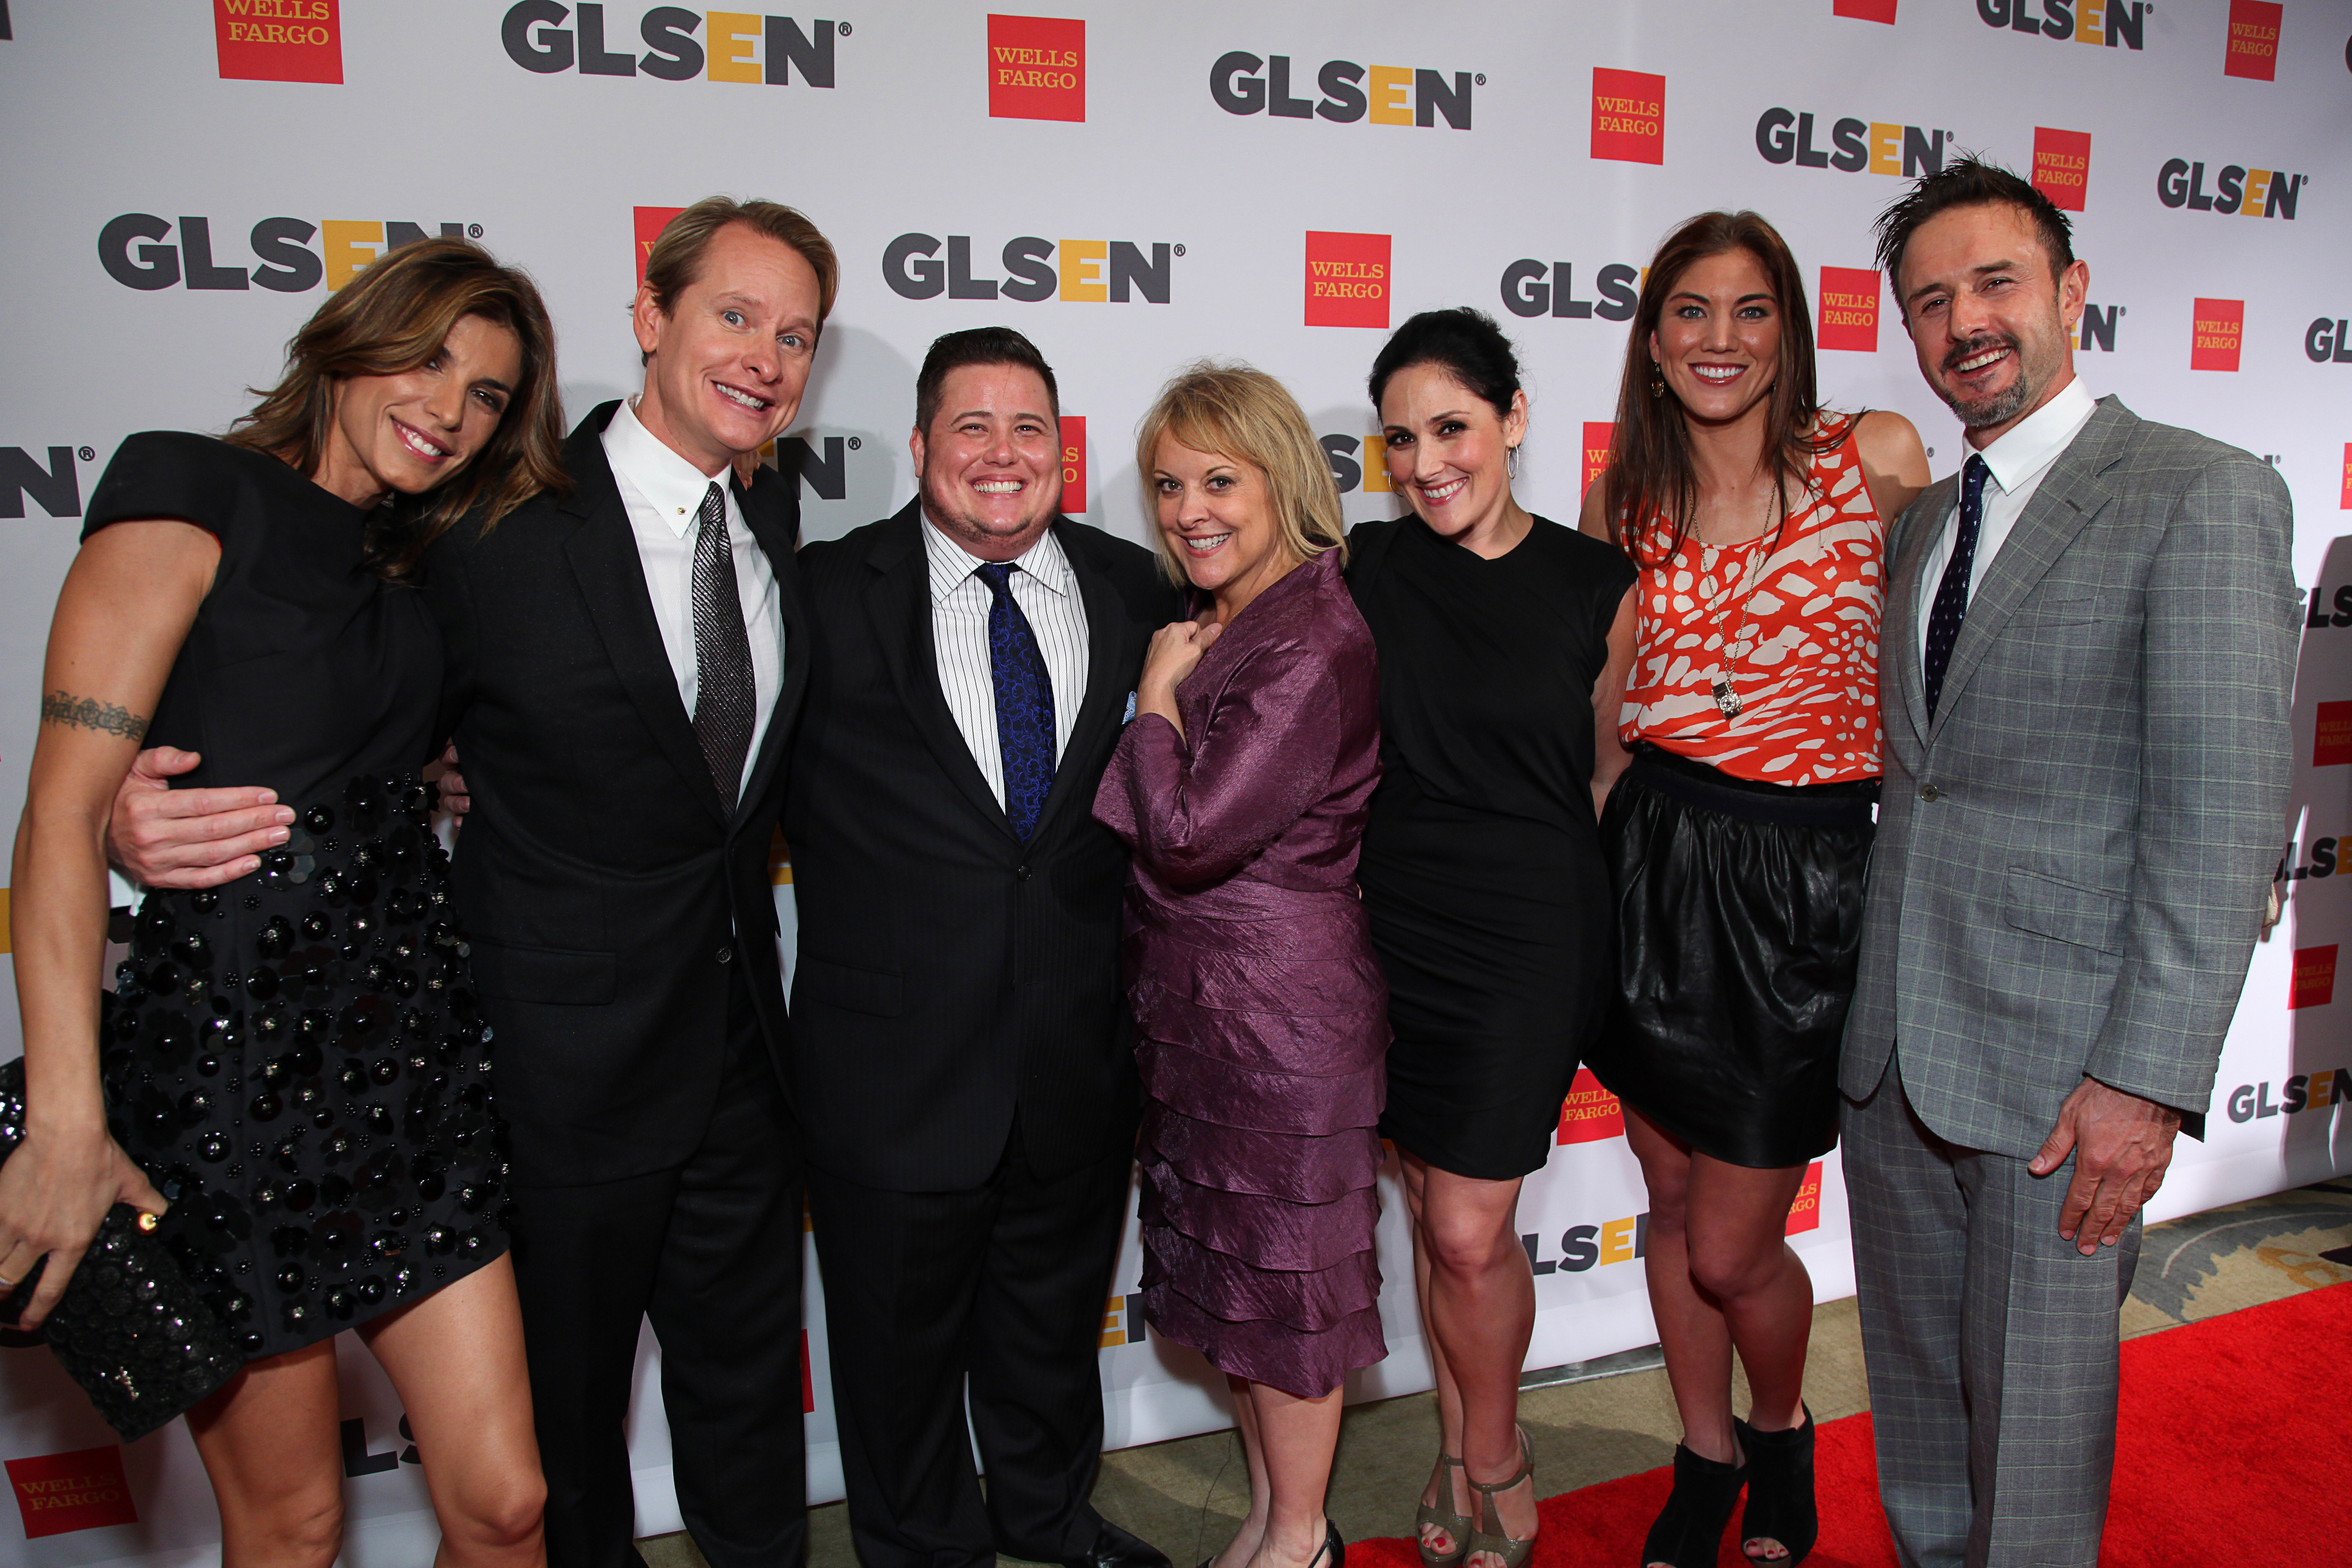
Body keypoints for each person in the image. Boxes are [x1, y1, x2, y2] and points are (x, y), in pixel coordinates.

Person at [107, 195, 835, 1568]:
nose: (765, 356)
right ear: (651, 317)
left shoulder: (775, 516)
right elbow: (329, 704)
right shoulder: (488, 523)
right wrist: (123, 812)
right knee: (559, 1448)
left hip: (743, 1055)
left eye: (795, 336)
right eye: (735, 316)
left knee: (747, 1399)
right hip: (553, 1073)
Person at [3, 238, 562, 1568]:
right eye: (430, 360)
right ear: (352, 342)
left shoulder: (415, 567)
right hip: (232, 1082)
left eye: (488, 395)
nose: (450, 409)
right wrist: (70, 1123)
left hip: (414, 1067)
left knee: (507, 1506)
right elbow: (62, 820)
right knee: (294, 1524)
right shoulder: (188, 492)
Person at [1841, 160, 2295, 1568]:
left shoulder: (2198, 493)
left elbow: (2223, 822)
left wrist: (2146, 1083)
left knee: (2034, 1450)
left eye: (1997, 283)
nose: (1965, 322)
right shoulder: (1924, 523)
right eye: (1932, 301)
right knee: (1919, 1423)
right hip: (1896, 1057)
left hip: (2066, 1081)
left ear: (2072, 292)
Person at [783, 328, 1177, 1568]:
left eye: (1028, 429)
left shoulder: (1136, 588)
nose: (1002, 454)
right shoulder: (820, 594)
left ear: (1062, 450)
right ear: (918, 447)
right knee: (895, 1360)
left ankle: (1048, 1515)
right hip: (889, 1066)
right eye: (971, 426)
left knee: (1051, 1328)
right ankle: (921, 1549)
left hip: (1076, 1050)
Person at [1578, 211, 1929, 1568]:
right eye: (1690, 312)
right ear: (1654, 342)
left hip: (1808, 877)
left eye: (1751, 309)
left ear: (1790, 328)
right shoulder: (1624, 501)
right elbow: (1608, 730)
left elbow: (1948, 659)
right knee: (1668, 1208)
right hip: (1656, 862)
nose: (1719, 339)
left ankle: (1780, 1431)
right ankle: (1705, 1453)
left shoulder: (1873, 457)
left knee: (1732, 1245)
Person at [1345, 309, 1636, 1568]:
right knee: (1430, 1207)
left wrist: (1576, 932)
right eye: (1401, 439)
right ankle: (1460, 1440)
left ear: (1514, 420)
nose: (1426, 463)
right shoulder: (1366, 566)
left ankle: (1497, 1449)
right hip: (1390, 924)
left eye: (1452, 428)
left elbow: (1608, 776)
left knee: (1468, 1225)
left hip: (1527, 937)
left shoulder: (1595, 584)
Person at [1095, 363, 1384, 1568]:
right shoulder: (1237, 612)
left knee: (1291, 1292)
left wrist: (1155, 700)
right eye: (1168, 486)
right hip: (1209, 1013)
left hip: (1280, 1021)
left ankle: (1302, 1540)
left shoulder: (1308, 637)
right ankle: (1272, 1521)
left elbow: (1190, 832)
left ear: (1283, 480)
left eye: (1219, 481)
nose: (1189, 511)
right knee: (1244, 1294)